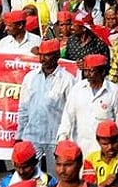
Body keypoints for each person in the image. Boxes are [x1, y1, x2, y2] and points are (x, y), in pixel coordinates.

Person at [17, 38, 75, 172]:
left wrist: (66, 139)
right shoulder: (30, 77)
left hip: (55, 138)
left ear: (57, 56)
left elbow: (71, 113)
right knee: (30, 176)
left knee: (56, 177)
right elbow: (23, 109)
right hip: (31, 136)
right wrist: (19, 136)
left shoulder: (67, 80)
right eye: (41, 55)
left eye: (47, 55)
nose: (42, 59)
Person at [57, 53, 118, 158]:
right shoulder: (77, 89)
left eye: (91, 71)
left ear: (102, 72)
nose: (87, 74)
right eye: (86, 71)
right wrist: (62, 139)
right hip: (80, 149)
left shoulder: (113, 90)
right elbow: (67, 117)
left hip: (104, 151)